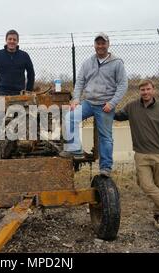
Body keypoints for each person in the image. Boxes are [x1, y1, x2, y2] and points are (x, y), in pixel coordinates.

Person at [114, 79, 159, 229]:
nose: (145, 92)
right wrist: (105, 108)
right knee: (146, 185)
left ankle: (158, 217)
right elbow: (118, 116)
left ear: (153, 90)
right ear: (140, 91)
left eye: (148, 89)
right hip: (142, 155)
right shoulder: (132, 107)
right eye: (142, 90)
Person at [60, 32, 128, 177]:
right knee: (70, 117)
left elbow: (122, 85)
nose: (100, 46)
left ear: (108, 44)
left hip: (105, 105)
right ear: (94, 45)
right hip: (89, 103)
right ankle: (75, 149)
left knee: (105, 137)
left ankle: (105, 167)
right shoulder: (88, 62)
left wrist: (112, 103)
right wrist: (76, 99)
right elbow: (80, 82)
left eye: (103, 43)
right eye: (98, 43)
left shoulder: (117, 63)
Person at [0, 29, 35, 154]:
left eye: (14, 39)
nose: (12, 41)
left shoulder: (24, 56)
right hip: (2, 92)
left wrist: (28, 91)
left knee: (20, 118)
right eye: (10, 39)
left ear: (17, 41)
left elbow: (31, 73)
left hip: (19, 93)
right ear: (6, 40)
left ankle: (19, 145)